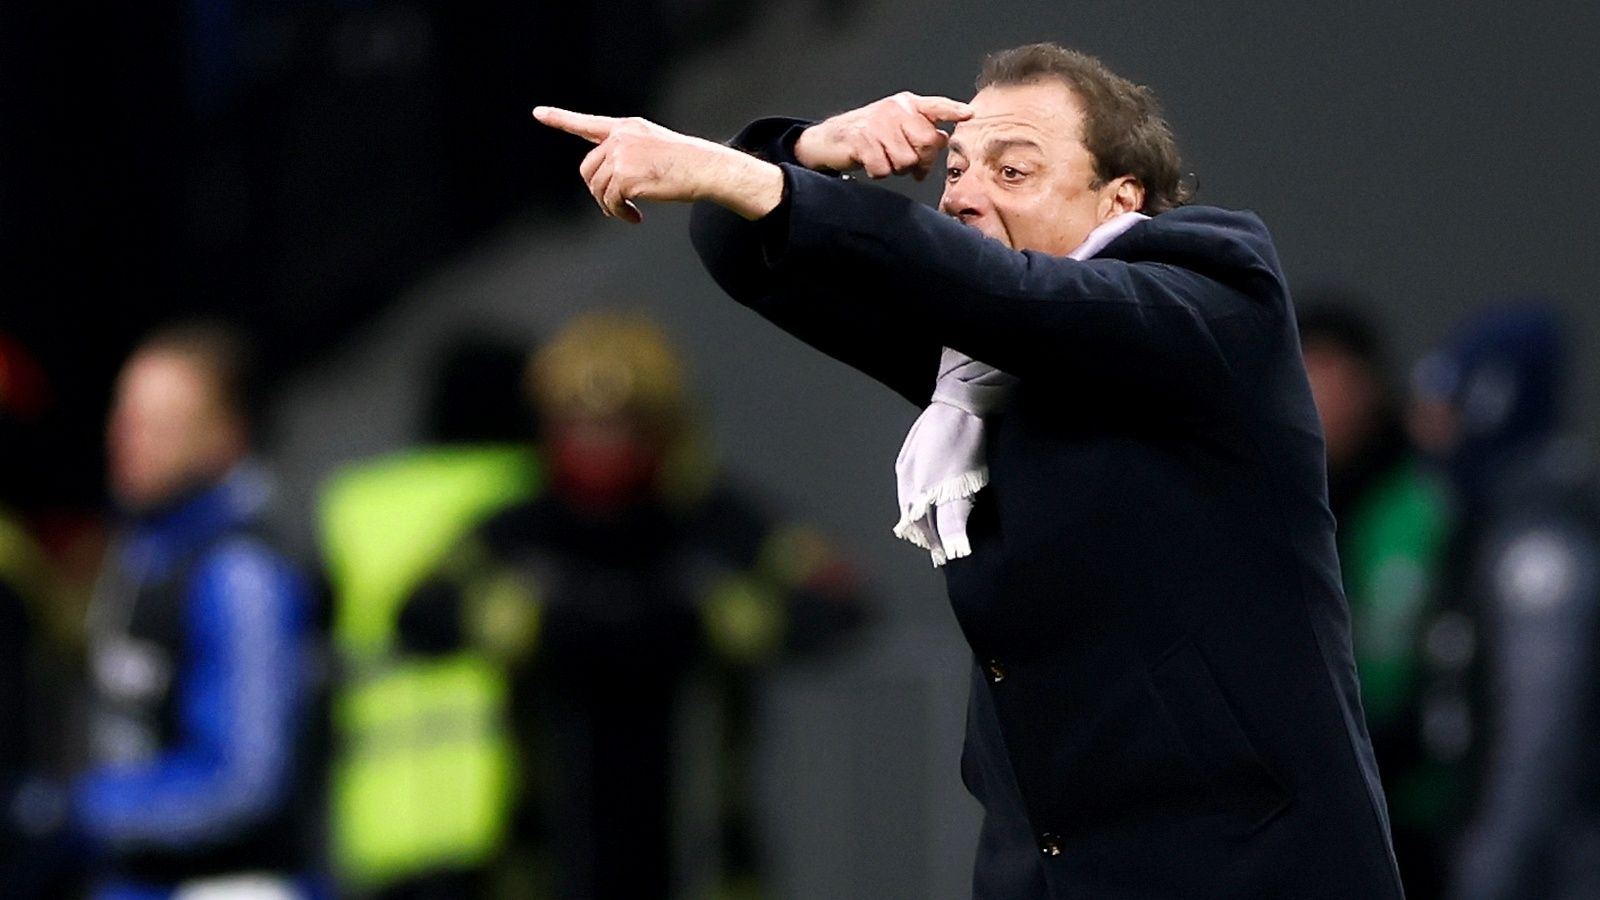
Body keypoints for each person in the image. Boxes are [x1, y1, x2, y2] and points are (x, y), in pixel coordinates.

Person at [534, 41, 1402, 898]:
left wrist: (750, 177)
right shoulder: (979, 362)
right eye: (954, 170)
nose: (963, 196)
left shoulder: (1213, 294)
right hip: (1052, 873)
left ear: (1120, 197)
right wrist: (810, 149)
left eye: (1013, 171)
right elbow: (749, 250)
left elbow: (1013, 295)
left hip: (1248, 871)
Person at [396, 312, 869, 899]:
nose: (598, 443)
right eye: (578, 423)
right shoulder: (522, 528)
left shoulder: (710, 521)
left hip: (698, 853)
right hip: (548, 856)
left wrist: (725, 620)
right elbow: (417, 611)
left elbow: (837, 602)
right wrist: (510, 621)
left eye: (619, 425)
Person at [75, 322, 322, 900]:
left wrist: (85, 814)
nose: (127, 440)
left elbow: (243, 777)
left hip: (226, 885)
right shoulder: (144, 550)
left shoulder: (239, 571)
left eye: (159, 426)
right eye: (124, 417)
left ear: (223, 440)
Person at [1407, 304, 1600, 900]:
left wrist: (1487, 874)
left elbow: (1538, 744)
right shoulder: (1492, 527)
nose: (1429, 431)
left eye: (1447, 410)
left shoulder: (1539, 547)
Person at [1299, 300, 1457, 898]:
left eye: (1332, 379)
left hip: (1418, 812)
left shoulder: (1424, 504)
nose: (1319, 401)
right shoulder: (1278, 504)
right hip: (1318, 814)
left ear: (1371, 388)